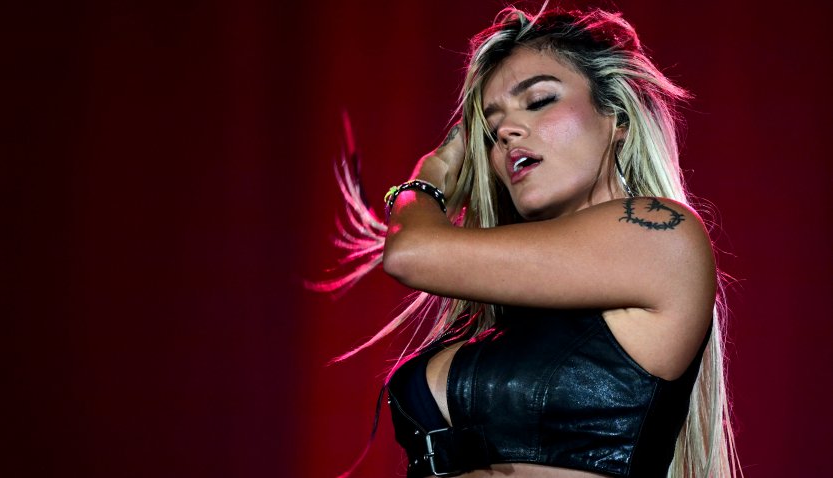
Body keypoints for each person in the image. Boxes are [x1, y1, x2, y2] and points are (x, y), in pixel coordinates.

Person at [315, 5, 740, 478]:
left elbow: (411, 254)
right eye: (493, 129)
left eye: (538, 101)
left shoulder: (661, 235)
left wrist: (426, 178)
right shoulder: (498, 314)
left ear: (616, 117)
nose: (508, 132)